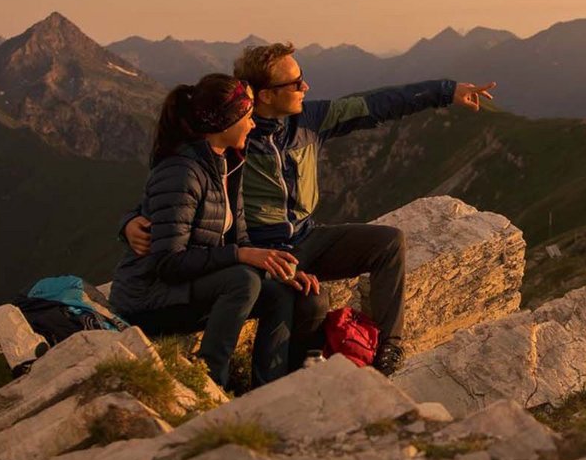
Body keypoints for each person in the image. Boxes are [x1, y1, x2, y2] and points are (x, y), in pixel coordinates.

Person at [126, 43, 495, 376]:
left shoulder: (308, 121)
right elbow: (172, 189)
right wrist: (129, 222)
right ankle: (287, 381)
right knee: (310, 299)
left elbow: (375, 104)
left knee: (389, 242)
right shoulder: (232, 133)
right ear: (265, 95)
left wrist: (446, 91)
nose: (306, 86)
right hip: (261, 251)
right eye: (295, 82)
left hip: (306, 236)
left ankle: (387, 350)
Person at [108, 73, 305, 391]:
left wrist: (278, 269)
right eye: (246, 115)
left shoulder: (228, 164)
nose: (252, 123)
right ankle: (210, 384)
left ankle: (268, 390)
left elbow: (240, 239)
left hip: (187, 289)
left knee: (279, 292)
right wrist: (241, 255)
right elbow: (168, 263)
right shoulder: (181, 172)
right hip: (148, 301)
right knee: (242, 279)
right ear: (224, 122)